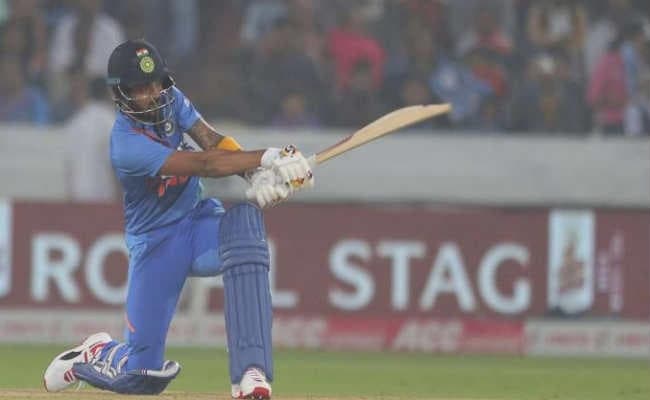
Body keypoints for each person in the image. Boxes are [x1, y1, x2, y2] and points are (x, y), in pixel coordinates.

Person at [42, 38, 314, 399]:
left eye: (156, 83)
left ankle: (251, 373)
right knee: (142, 377)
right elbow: (204, 163)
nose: (152, 94)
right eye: (140, 89)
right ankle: (96, 354)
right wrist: (269, 157)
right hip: (156, 245)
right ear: (120, 95)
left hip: (197, 223)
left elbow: (211, 141)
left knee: (246, 227)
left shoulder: (171, 99)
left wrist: (256, 174)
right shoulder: (125, 144)